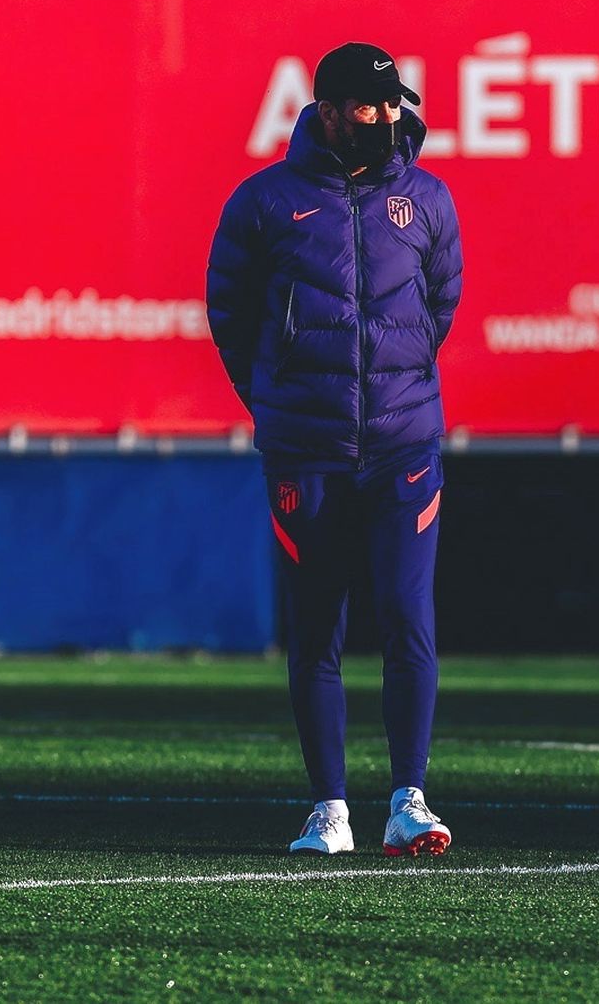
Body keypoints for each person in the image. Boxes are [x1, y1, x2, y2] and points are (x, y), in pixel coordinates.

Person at [206, 42, 463, 857]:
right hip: (305, 451)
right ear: (325, 111)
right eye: (367, 106)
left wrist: (398, 393)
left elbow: (441, 303)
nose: (387, 119)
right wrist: (280, 405)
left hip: (404, 448)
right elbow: (230, 315)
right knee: (316, 628)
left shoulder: (426, 199)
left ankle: (408, 800)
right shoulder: (264, 202)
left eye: (393, 105)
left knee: (406, 616)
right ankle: (329, 809)